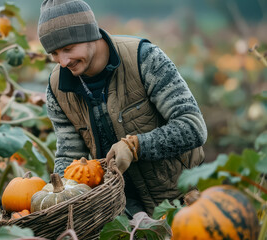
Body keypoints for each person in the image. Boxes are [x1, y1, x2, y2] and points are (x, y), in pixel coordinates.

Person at [38, 0, 207, 217]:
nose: (62, 62)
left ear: (91, 35)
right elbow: (69, 155)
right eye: (54, 53)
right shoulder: (57, 88)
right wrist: (58, 198)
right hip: (122, 210)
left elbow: (192, 127)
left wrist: (135, 146)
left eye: (68, 49)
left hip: (182, 201)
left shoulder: (144, 58)